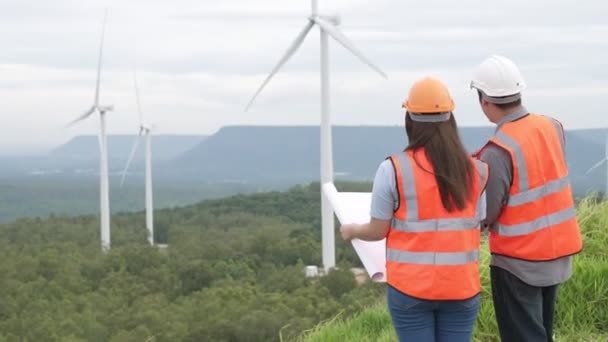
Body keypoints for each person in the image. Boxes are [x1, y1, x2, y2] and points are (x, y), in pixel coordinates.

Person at [340, 77, 489, 342]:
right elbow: (479, 220)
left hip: (411, 290)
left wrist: (352, 230)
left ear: (410, 120)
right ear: (450, 120)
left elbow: (377, 231)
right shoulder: (476, 171)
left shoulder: (393, 169)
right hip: (461, 288)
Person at [470, 55, 583, 342]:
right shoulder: (552, 127)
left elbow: (487, 213)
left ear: (484, 100)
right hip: (556, 252)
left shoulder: (498, 150)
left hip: (518, 263)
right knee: (542, 333)